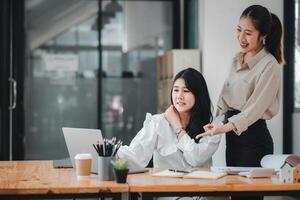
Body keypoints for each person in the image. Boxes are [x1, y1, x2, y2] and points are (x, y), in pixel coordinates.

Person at [194, 5, 285, 200]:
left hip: (254, 140)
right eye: (239, 30)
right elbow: (225, 98)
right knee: (233, 194)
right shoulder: (236, 60)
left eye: (248, 33)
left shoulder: (270, 66)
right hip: (233, 139)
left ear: (262, 35)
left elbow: (253, 110)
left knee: (247, 197)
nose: (241, 38)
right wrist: (215, 121)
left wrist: (221, 128)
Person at [117, 68, 221, 172]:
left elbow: (196, 159)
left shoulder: (212, 126)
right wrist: (111, 155)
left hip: (201, 186)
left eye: (186, 91)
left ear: (198, 94)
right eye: (176, 90)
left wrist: (178, 128)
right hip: (166, 186)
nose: (179, 96)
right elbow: (136, 154)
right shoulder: (158, 122)